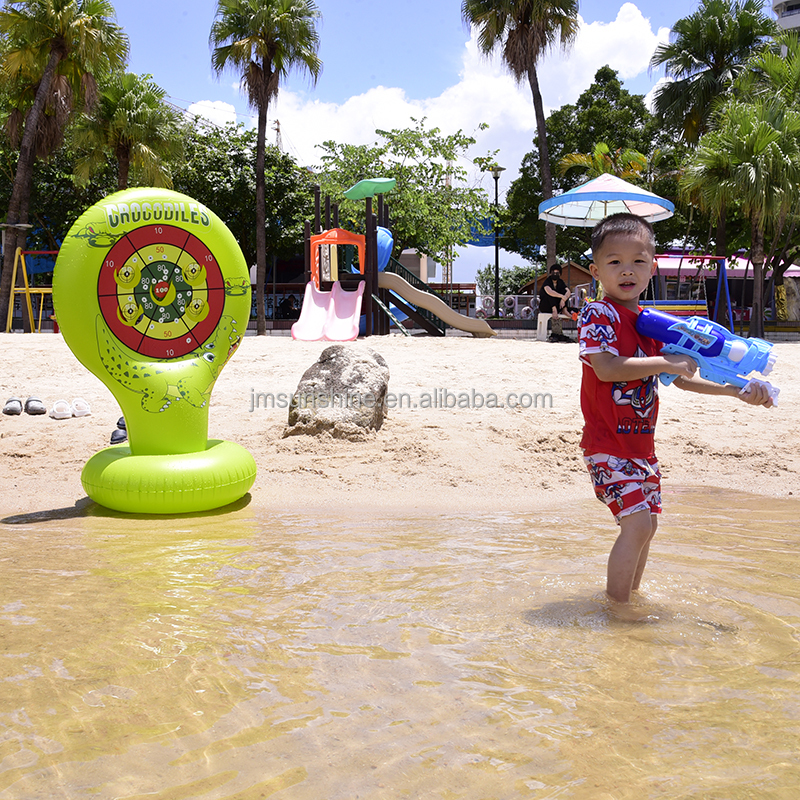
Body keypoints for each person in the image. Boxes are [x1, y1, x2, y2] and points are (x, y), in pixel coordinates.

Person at [578, 212, 774, 604]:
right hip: (607, 445)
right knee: (634, 526)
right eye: (614, 261)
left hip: (641, 450)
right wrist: (665, 362)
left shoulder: (653, 325)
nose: (627, 270)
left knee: (648, 525)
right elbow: (606, 368)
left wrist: (736, 391)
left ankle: (630, 597)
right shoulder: (599, 314)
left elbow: (682, 377)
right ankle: (617, 609)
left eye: (638, 260)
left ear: (653, 266)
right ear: (596, 270)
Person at [538, 264, 572, 341]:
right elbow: (549, 292)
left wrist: (563, 299)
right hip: (546, 306)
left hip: (558, 306)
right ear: (550, 273)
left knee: (564, 291)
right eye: (554, 273)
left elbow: (568, 291)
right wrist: (561, 297)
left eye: (557, 273)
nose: (555, 275)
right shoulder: (547, 282)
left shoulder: (560, 282)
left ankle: (564, 309)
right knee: (551, 294)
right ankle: (555, 310)